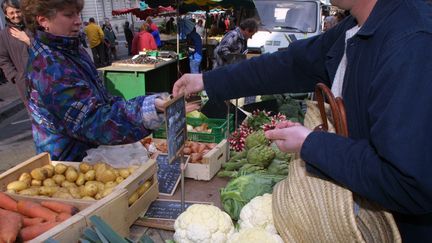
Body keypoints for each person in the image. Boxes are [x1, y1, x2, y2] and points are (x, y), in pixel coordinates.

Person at [172, 0, 432, 241]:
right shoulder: (355, 26)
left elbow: (408, 183)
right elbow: (289, 64)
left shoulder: (411, 43)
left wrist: (311, 144)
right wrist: (207, 81)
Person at [20, 0, 184, 162]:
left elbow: (102, 101)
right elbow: (91, 121)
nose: (78, 21)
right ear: (43, 21)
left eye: (78, 13)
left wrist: (149, 104)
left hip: (90, 157)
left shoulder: (71, 49)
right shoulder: (50, 67)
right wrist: (147, 110)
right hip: (69, 165)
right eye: (69, 15)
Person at [0, 0, 31, 107]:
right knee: (36, 116)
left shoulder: (33, 27)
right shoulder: (3, 35)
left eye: (18, 11)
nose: (16, 15)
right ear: (6, 15)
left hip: (44, 78)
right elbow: (3, 59)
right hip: (24, 82)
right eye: (11, 13)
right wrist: (15, 76)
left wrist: (28, 40)